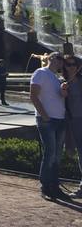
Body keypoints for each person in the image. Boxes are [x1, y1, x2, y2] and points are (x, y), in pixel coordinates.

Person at [30, 52, 70, 201]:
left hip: (60, 119)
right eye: (59, 58)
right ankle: (45, 186)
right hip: (47, 120)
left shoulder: (56, 78)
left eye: (63, 61)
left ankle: (54, 186)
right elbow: (33, 95)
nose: (61, 62)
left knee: (57, 155)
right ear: (51, 58)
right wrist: (44, 116)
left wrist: (63, 91)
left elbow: (59, 97)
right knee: (50, 153)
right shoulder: (40, 73)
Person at [62, 55, 82, 198]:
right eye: (68, 64)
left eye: (73, 64)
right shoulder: (63, 82)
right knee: (81, 153)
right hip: (74, 121)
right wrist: (62, 92)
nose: (71, 67)